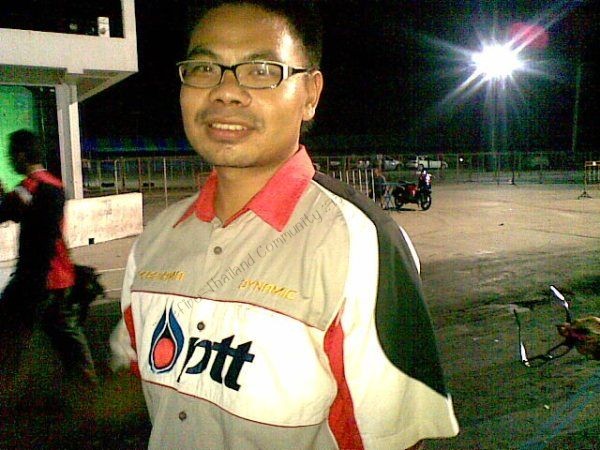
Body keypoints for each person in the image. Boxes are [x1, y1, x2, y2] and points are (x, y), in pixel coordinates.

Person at [110, 1, 459, 448]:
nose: (226, 92)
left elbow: (395, 439)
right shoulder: (156, 240)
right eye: (204, 68)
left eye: (261, 71)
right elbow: (138, 378)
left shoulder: (358, 243)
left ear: (310, 94)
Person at [0, 129, 97, 388]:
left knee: (9, 333)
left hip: (36, 278)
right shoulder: (54, 184)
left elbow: (8, 211)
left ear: (22, 155)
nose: (10, 160)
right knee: (66, 336)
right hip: (59, 276)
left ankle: (11, 387)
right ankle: (87, 388)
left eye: (11, 155)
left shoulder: (30, 187)